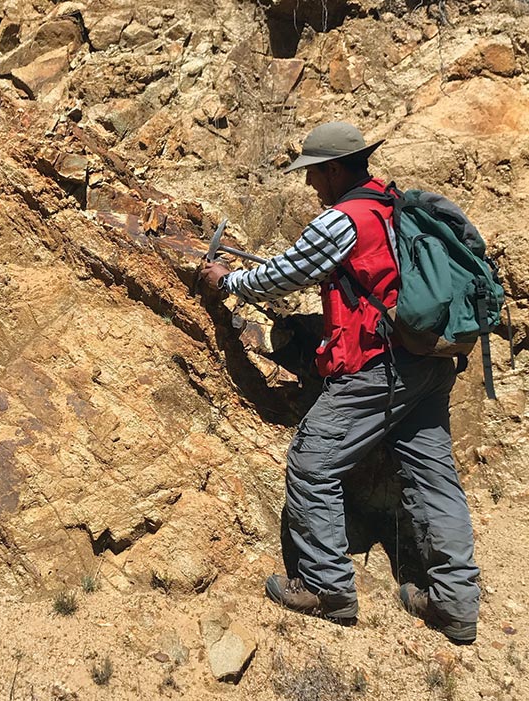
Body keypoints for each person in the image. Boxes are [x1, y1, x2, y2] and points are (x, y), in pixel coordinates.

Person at [199, 122, 480, 645]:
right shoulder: (393, 205)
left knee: (312, 461)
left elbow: (288, 272)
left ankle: (328, 590)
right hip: (429, 360)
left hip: (380, 365)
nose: (310, 186)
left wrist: (229, 281)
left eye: (314, 175)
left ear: (333, 169)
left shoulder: (342, 219)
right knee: (434, 476)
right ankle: (456, 604)